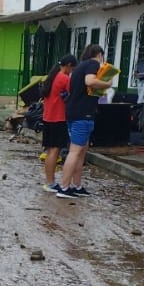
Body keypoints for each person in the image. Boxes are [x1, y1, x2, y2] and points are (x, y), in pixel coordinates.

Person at [57, 45, 105, 199]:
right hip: (82, 115)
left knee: (81, 152)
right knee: (75, 152)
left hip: (75, 113)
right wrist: (107, 84)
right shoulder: (93, 64)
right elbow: (90, 81)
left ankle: (76, 186)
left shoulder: (79, 67)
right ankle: (64, 187)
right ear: (99, 54)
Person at [39, 57, 75, 192]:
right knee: (55, 151)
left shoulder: (52, 76)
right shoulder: (63, 78)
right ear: (69, 65)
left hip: (48, 118)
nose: (72, 72)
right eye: (73, 69)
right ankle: (51, 183)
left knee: (50, 151)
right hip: (58, 119)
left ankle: (49, 181)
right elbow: (74, 93)